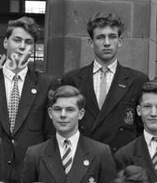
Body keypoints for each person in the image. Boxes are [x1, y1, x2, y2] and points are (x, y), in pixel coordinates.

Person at [0, 16, 56, 183]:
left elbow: (50, 134)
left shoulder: (46, 84)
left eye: (28, 42)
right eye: (16, 40)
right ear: (5, 42)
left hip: (30, 176)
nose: (22, 46)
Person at [62, 12, 149, 154]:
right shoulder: (72, 79)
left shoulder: (138, 80)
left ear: (120, 41)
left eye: (112, 37)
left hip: (121, 161)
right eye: (100, 37)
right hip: (82, 159)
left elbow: (143, 127)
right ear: (91, 42)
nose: (107, 43)